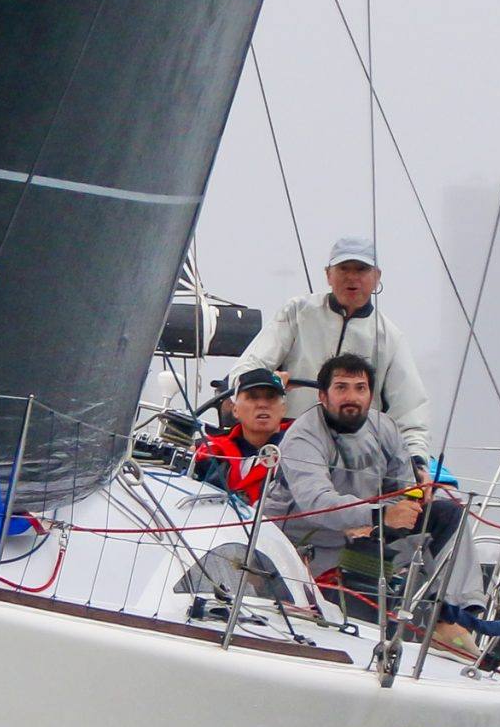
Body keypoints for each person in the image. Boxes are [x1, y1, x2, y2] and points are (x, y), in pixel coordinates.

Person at [234, 233, 434, 472]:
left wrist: (417, 462)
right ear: (328, 274)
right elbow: (247, 368)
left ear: (376, 276)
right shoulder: (298, 313)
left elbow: (411, 412)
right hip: (288, 444)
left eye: (361, 269)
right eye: (343, 268)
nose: (351, 277)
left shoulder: (389, 337)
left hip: (356, 455)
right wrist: (269, 382)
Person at [261, 353, 459, 582]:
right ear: (323, 396)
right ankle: (392, 602)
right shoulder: (303, 437)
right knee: (372, 565)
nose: (351, 397)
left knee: (448, 514)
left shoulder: (385, 428)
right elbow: (316, 503)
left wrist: (382, 521)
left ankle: (465, 608)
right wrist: (377, 516)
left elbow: (404, 490)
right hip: (300, 548)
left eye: (360, 388)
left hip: (365, 535)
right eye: (341, 388)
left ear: (370, 395)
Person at [193, 366, 289, 503]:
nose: (262, 404)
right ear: (235, 410)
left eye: (271, 397)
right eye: (252, 397)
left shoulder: (301, 451)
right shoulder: (208, 451)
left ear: (283, 409)